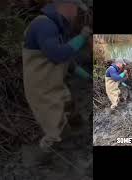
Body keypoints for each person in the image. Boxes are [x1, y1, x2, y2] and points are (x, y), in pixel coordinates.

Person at [22, 0, 90, 160]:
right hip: (41, 89)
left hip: (53, 84)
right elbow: (57, 54)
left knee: (68, 107)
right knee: (53, 125)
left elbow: (66, 61)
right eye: (76, 10)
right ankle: (40, 156)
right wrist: (82, 37)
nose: (76, 15)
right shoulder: (43, 25)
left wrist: (87, 76)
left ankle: (72, 138)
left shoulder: (57, 28)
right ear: (69, 5)